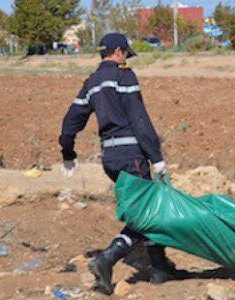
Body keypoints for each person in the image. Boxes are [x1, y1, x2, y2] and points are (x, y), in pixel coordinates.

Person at [59, 33, 177, 295]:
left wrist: (67, 152)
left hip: (110, 159)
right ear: (119, 52)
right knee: (146, 211)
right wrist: (156, 158)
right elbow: (139, 120)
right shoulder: (125, 78)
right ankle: (108, 258)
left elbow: (71, 121)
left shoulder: (91, 83)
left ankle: (160, 268)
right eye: (125, 53)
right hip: (131, 155)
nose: (125, 58)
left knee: (143, 208)